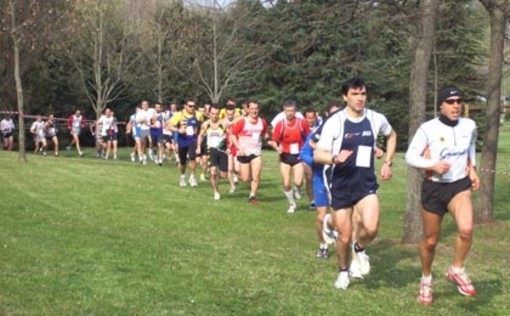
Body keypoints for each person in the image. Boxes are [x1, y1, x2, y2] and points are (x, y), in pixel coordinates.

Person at [314, 78, 396, 290]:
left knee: (371, 227)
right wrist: (334, 159)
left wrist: (387, 161)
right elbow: (318, 155)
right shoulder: (335, 122)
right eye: (355, 94)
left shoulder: (375, 118)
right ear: (345, 97)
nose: (360, 99)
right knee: (345, 235)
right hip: (339, 182)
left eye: (363, 94)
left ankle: (359, 250)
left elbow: (391, 134)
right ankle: (343, 272)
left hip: (365, 182)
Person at [405, 86, 479, 305]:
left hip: (459, 186)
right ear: (441, 105)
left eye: (458, 101)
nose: (456, 105)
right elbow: (410, 156)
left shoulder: (469, 125)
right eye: (450, 101)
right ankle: (426, 279)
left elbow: (471, 144)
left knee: (466, 230)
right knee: (430, 241)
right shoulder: (428, 129)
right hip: (434, 188)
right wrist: (433, 165)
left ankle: (456, 269)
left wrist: (472, 167)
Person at [300, 103, 342, 258]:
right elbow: (304, 152)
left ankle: (340, 241)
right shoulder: (319, 132)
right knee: (320, 217)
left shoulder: (345, 131)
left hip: (338, 179)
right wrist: (315, 160)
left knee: (339, 216)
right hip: (320, 177)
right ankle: (323, 245)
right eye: (333, 114)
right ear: (326, 115)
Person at [270, 99, 311, 213]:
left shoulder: (302, 123)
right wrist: (277, 147)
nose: (289, 113)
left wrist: (309, 149)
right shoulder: (280, 125)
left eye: (292, 111)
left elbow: (309, 137)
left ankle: (297, 189)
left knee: (298, 182)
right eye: (287, 111)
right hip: (285, 157)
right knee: (286, 183)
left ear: (295, 111)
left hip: (298, 156)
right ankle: (292, 204)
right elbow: (274, 141)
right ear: (284, 111)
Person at [231, 100, 269, 204]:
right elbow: (233, 134)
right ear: (248, 109)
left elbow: (264, 133)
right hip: (244, 153)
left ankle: (252, 196)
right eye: (252, 108)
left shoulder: (263, 122)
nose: (254, 111)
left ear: (259, 109)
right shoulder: (242, 122)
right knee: (244, 178)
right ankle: (237, 170)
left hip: (256, 153)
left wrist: (266, 137)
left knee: (256, 176)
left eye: (256, 108)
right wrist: (239, 147)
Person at [169, 99, 204, 187]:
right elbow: (169, 126)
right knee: (183, 161)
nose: (192, 108)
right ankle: (182, 176)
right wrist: (178, 130)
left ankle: (192, 176)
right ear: (185, 106)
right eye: (190, 106)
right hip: (182, 140)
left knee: (193, 157)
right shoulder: (179, 115)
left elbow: (202, 125)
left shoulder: (198, 114)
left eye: (193, 106)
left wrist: (199, 132)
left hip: (193, 139)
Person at [197, 105, 229, 200]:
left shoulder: (223, 123)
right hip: (211, 150)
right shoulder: (206, 124)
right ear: (209, 113)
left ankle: (218, 174)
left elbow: (231, 135)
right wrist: (198, 146)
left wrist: (230, 146)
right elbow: (200, 136)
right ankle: (216, 192)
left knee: (224, 176)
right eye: (213, 114)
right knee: (212, 173)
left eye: (217, 114)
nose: (215, 116)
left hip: (222, 150)